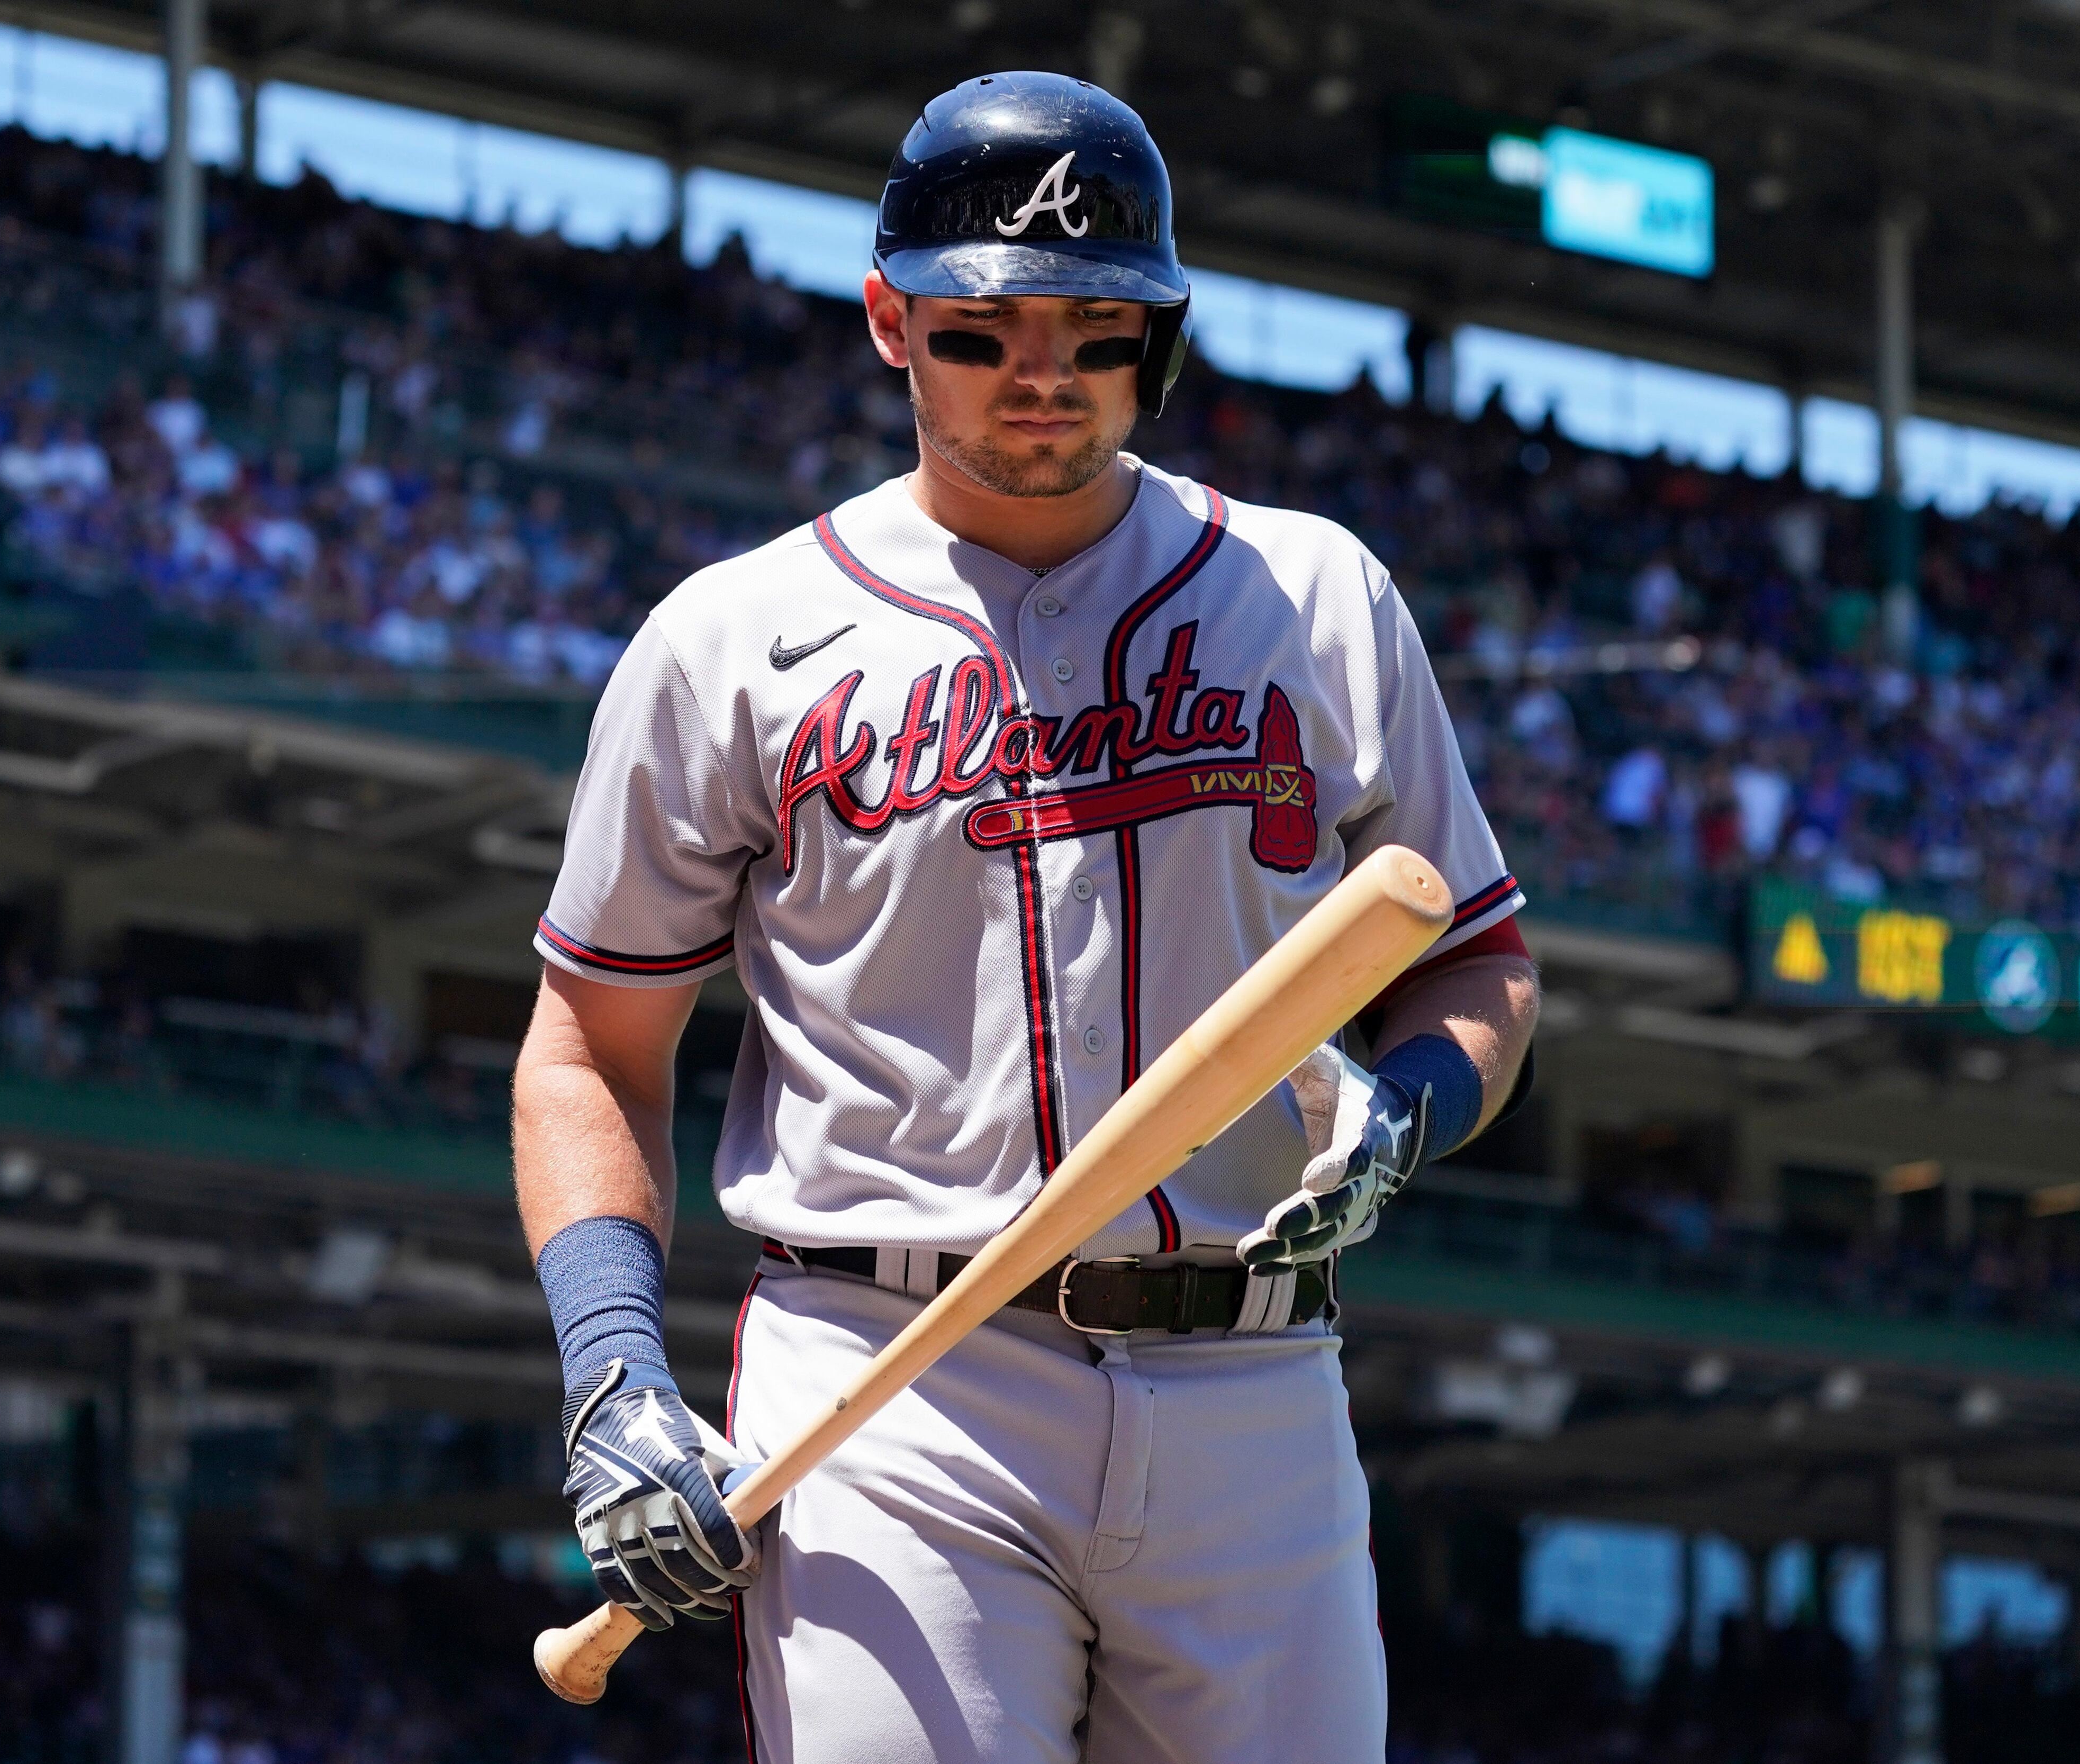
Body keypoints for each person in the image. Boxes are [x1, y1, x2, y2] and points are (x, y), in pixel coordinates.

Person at [512, 71, 1539, 1764]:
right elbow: (586, 1049)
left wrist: (1408, 1110)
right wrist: (616, 1375)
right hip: (893, 1379)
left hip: (1254, 1381)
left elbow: (1479, 961)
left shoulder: (1318, 595)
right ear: (892, 323)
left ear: (1164, 338)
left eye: (1095, 326)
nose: (1044, 373)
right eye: (985, 328)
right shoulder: (732, 638)